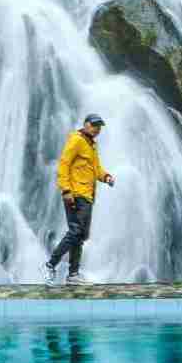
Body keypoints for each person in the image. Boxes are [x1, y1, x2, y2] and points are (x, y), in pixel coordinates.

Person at [40, 114, 115, 286]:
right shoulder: (77, 140)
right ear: (86, 125)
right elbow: (64, 164)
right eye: (95, 125)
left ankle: (73, 274)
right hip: (76, 194)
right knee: (76, 231)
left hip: (87, 196)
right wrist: (66, 190)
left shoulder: (91, 145)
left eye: (99, 127)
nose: (97, 129)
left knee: (80, 235)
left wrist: (107, 177)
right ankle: (50, 265)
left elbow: (96, 169)